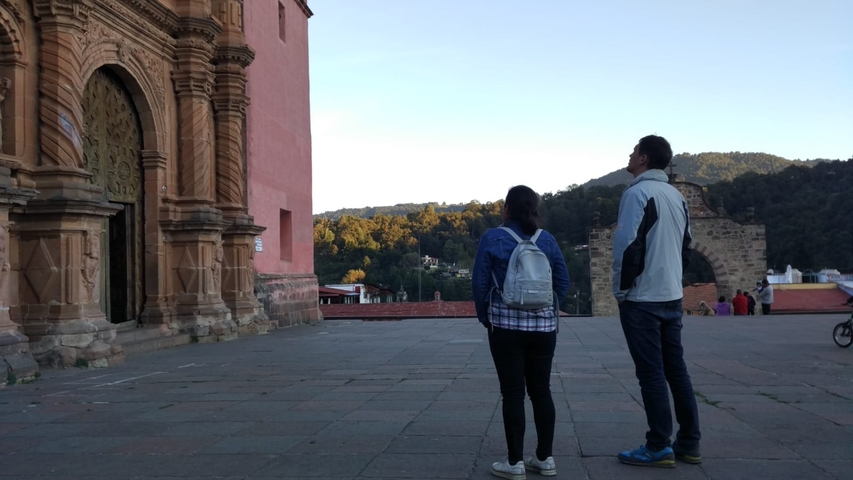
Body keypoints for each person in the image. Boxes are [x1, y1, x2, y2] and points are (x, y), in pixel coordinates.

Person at [612, 135, 701, 468]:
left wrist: (622, 291)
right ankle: (690, 444)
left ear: (644, 158)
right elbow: (687, 246)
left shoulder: (636, 193)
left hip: (643, 298)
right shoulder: (676, 196)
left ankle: (657, 445)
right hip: (672, 295)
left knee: (650, 374)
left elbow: (627, 245)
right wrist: (672, 278)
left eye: (634, 151)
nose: (630, 155)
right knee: (677, 371)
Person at [472, 185, 570, 479]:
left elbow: (479, 283)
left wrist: (484, 316)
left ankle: (514, 463)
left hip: (505, 327)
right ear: (534, 210)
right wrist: (550, 310)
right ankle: (545, 458)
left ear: (507, 209)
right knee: (541, 390)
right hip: (543, 329)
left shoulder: (493, 237)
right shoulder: (548, 240)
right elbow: (563, 280)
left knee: (512, 392)